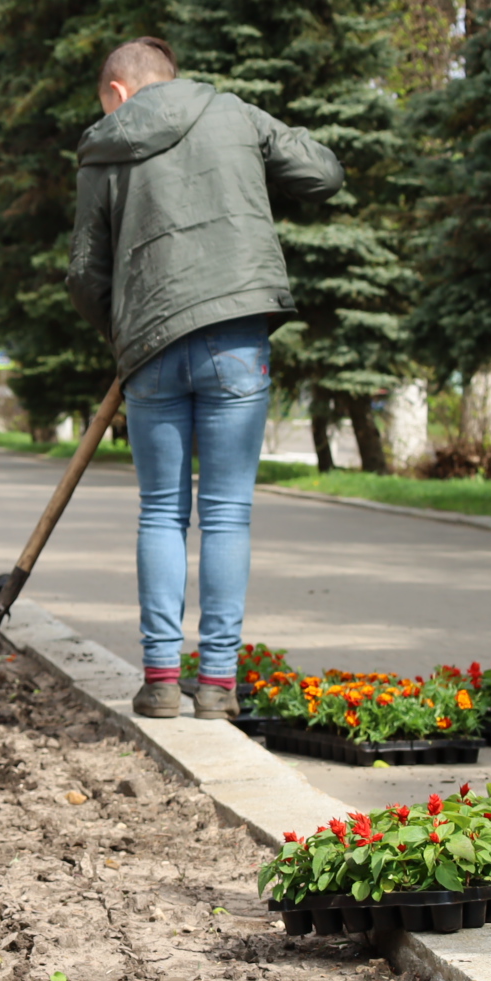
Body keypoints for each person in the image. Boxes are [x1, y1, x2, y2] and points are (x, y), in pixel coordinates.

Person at [65, 37, 341, 722]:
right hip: (237, 336)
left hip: (151, 349)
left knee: (161, 510)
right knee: (227, 513)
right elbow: (322, 174)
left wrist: (122, 335)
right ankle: (217, 685)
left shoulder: (106, 147)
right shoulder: (235, 113)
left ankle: (161, 682)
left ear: (120, 92)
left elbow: (83, 273)